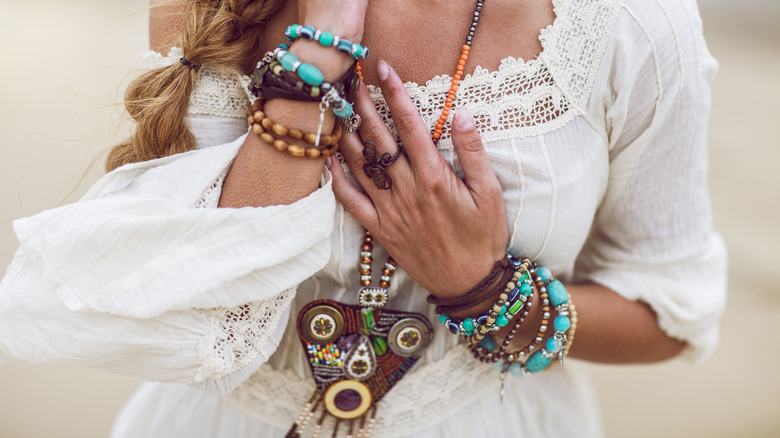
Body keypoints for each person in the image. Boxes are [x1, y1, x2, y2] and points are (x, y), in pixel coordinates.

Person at [0, 0, 726, 436]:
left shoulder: (628, 24)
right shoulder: (216, 8)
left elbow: (670, 311)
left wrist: (487, 290)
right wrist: (312, 61)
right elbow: (204, 307)